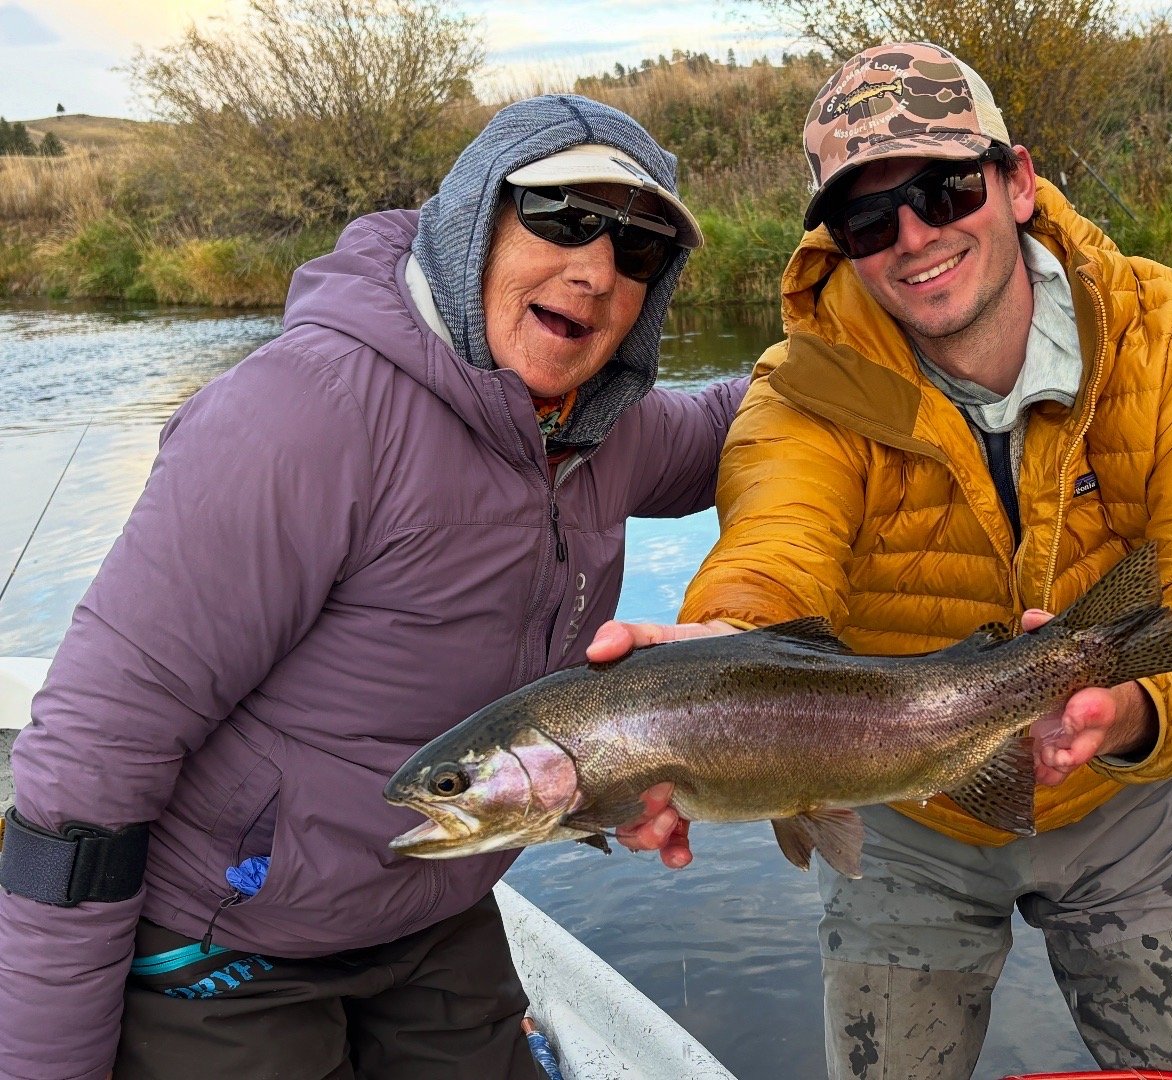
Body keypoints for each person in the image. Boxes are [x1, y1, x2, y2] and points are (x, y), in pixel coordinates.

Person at [599, 43, 1172, 1080]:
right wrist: (720, 655)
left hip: (1126, 799)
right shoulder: (800, 392)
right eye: (868, 217)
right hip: (900, 809)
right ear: (840, 245)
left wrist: (1133, 709)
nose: (916, 236)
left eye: (944, 187)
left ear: (1017, 181)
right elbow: (775, 546)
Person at [0, 94, 747, 1080]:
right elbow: (87, 769)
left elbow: (743, 425)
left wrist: (865, 322)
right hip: (225, 948)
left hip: (435, 919)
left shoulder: (596, 429)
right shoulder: (298, 417)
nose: (598, 268)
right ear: (476, 219)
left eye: (641, 247)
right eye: (563, 216)